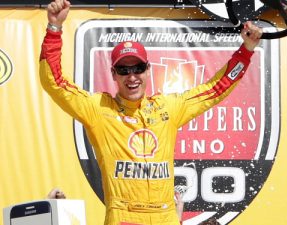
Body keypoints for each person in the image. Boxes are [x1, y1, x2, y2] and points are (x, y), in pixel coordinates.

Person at [39, 0, 262, 224]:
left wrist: (247, 50)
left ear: (148, 69)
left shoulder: (168, 108)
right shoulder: (98, 108)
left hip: (165, 216)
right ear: (113, 74)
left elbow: (215, 89)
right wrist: (54, 29)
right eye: (123, 70)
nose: (132, 76)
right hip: (124, 216)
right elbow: (55, 83)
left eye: (137, 68)